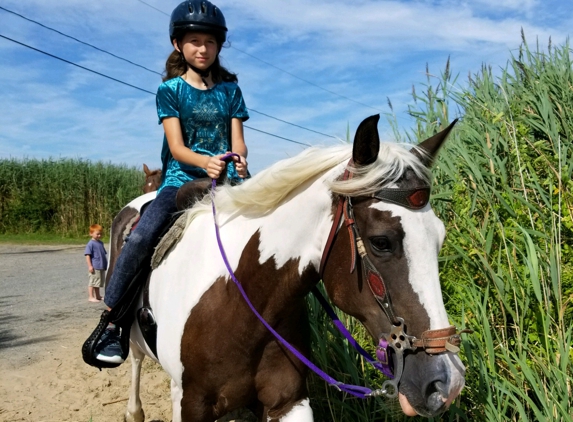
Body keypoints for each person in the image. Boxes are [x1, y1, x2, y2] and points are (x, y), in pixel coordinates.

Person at [91, 0, 249, 365]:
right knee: (143, 236)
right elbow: (177, 148)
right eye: (194, 41)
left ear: (219, 46)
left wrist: (237, 156)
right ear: (179, 45)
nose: (202, 49)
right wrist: (204, 162)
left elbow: (237, 138)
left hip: (228, 181)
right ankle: (111, 323)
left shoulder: (230, 92)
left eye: (209, 42)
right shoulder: (171, 91)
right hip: (181, 182)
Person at [85, 224, 108, 303]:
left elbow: (103, 254)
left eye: (100, 234)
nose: (99, 235)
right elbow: (88, 255)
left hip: (101, 265)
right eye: (97, 234)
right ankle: (91, 297)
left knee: (98, 282)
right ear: (91, 233)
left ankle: (98, 296)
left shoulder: (100, 243)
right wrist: (90, 266)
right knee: (93, 282)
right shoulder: (90, 244)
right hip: (95, 266)